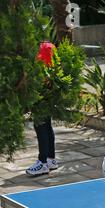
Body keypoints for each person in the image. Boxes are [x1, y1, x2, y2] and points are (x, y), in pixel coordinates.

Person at [26, 41, 59, 176]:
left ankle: (42, 163)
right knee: (47, 127)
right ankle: (51, 159)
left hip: (40, 97)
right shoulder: (49, 48)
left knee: (41, 128)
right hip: (50, 96)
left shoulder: (42, 69)